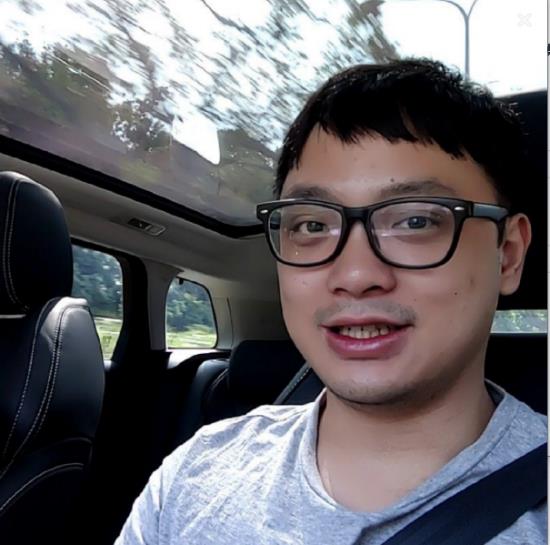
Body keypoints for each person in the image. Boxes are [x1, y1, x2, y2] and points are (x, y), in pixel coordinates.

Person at [115, 59, 546, 545]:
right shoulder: (194, 475)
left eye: (416, 221)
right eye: (313, 225)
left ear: (508, 255)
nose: (355, 275)